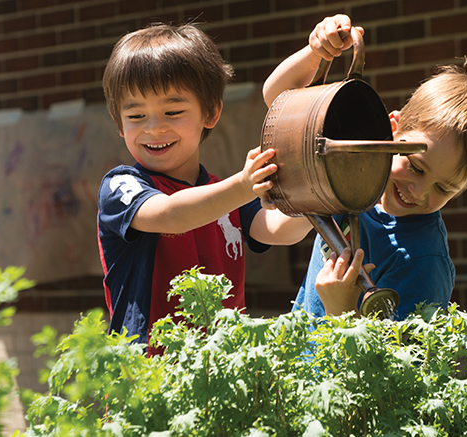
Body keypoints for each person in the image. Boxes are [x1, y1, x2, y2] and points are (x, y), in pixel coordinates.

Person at [263, 15, 467, 320]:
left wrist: (340, 311)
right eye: (417, 167)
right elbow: (279, 102)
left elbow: (397, 365)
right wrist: (317, 52)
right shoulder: (351, 175)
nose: (418, 191)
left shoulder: (423, 261)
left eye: (444, 188)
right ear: (392, 129)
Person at [98, 22, 313, 348]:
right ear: (118, 122)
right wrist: (242, 185)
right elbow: (171, 215)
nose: (154, 129)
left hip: (221, 370)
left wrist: (319, 191)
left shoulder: (224, 193)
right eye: (136, 116)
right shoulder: (121, 186)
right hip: (150, 378)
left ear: (210, 113)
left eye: (172, 111)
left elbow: (282, 229)